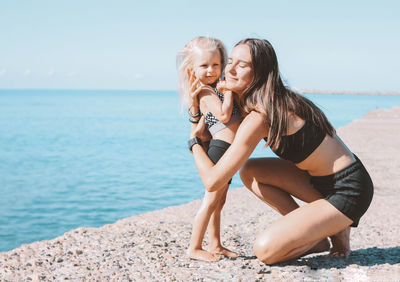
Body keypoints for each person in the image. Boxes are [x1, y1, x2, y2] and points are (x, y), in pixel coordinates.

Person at [188, 38, 374, 264]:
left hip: (348, 189)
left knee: (265, 251)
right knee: (250, 171)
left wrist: (194, 143)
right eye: (230, 62)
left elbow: (212, 181)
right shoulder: (270, 99)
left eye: (242, 65)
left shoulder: (262, 115)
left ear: (259, 72)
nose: (231, 69)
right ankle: (319, 235)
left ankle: (334, 225)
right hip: (322, 181)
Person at [176, 36, 242, 262]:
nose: (211, 70)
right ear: (192, 69)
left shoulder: (215, 88)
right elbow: (223, 115)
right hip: (220, 149)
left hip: (230, 150)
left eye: (215, 65)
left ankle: (215, 244)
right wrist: (230, 90)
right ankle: (194, 247)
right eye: (204, 66)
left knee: (220, 201)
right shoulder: (204, 92)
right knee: (211, 199)